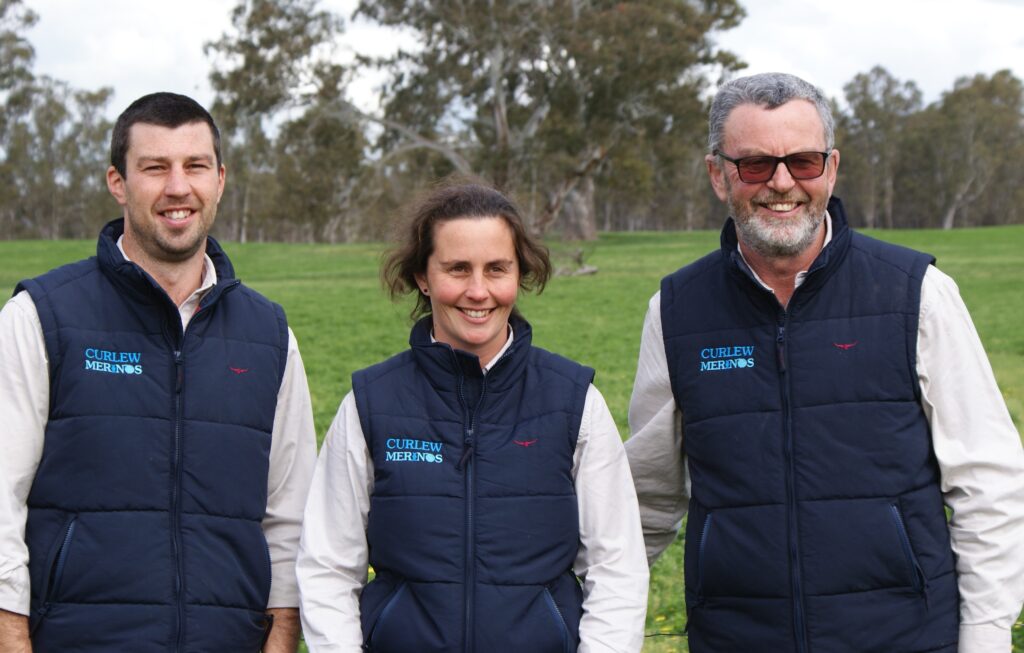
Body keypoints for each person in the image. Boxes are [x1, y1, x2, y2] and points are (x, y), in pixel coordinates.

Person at [625, 72, 1024, 653]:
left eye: (803, 162)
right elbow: (647, 496)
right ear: (719, 174)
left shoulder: (918, 293)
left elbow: (988, 483)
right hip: (739, 638)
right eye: (756, 164)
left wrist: (984, 637)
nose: (782, 183)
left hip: (904, 638)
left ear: (831, 168)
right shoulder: (676, 310)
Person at [0, 92, 317, 652]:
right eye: (155, 168)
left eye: (195, 166)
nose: (178, 187)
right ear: (118, 182)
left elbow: (290, 515)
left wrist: (283, 634)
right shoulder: (40, 318)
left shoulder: (270, 337)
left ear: (219, 180)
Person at [296, 181, 648, 652]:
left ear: (519, 273)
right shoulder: (370, 404)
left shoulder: (575, 402)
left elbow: (616, 566)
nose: (478, 291)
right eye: (457, 269)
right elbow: (327, 567)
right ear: (423, 276)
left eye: (496, 269)